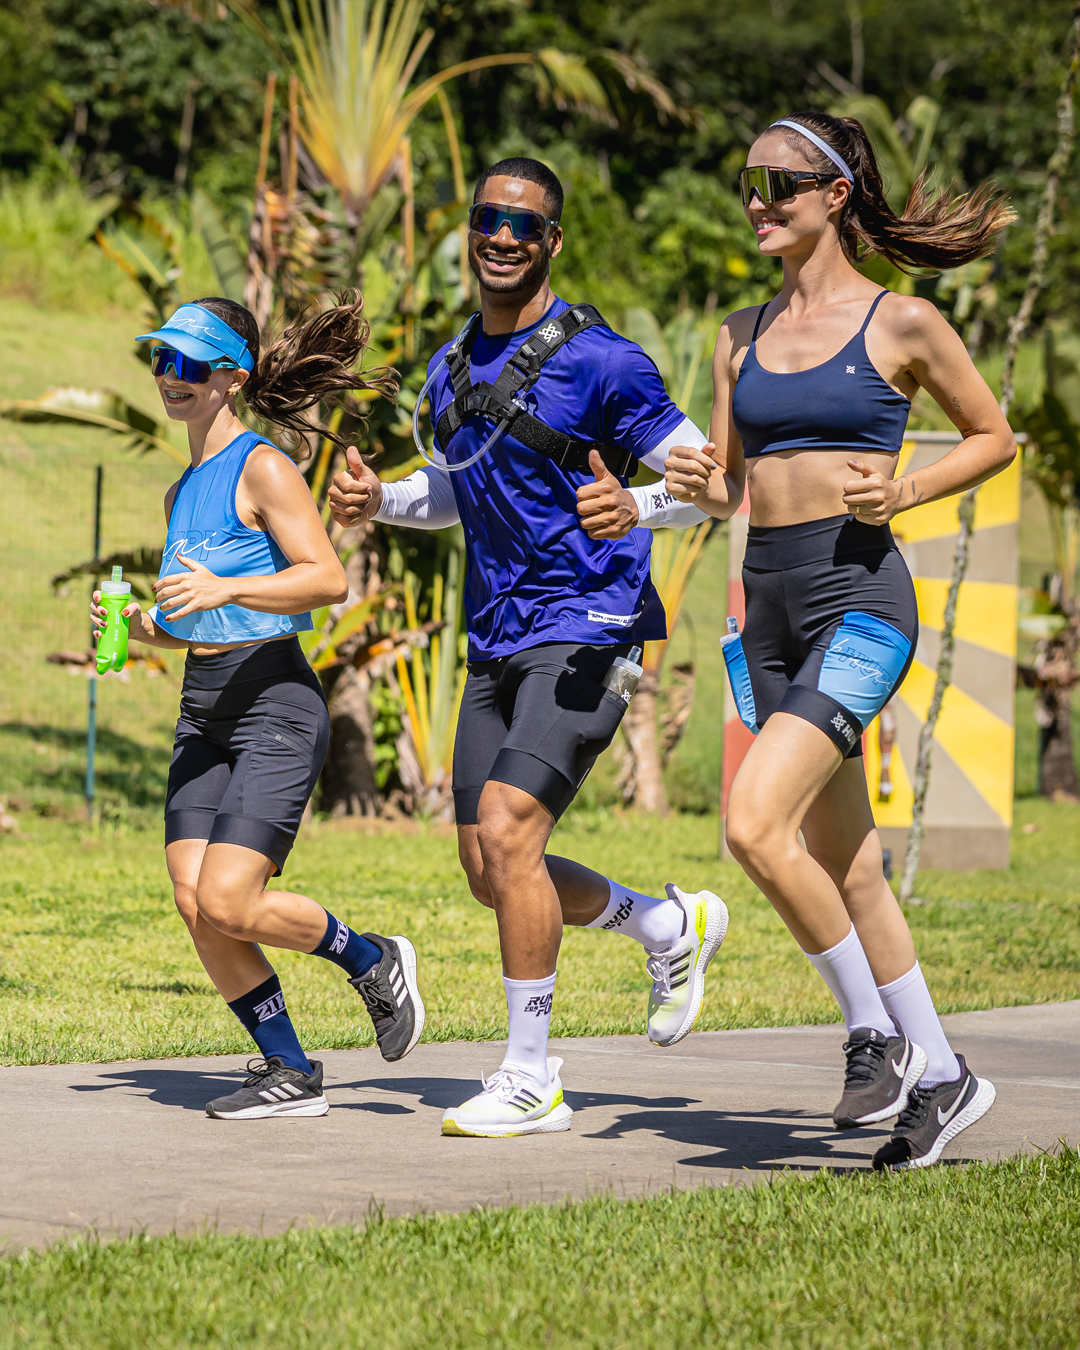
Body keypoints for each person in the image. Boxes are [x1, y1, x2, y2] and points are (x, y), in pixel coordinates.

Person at [329, 157, 728, 1138]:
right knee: (488, 866)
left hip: (587, 625)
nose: (502, 236)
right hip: (496, 641)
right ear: (471, 232)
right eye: (487, 219)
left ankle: (531, 1075)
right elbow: (452, 490)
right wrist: (378, 499)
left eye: (524, 223)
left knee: (510, 831)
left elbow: (711, 482)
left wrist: (631, 503)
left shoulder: (606, 362)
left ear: (552, 242)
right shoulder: (449, 367)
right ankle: (666, 924)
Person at [666, 112, 1016, 1170]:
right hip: (764, 604)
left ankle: (874, 1035)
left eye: (780, 184)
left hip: (858, 599)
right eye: (749, 183)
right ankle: (946, 1074)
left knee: (753, 823)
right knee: (847, 863)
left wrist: (904, 486)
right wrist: (696, 485)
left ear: (835, 197)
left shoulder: (903, 322)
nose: (759, 203)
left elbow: (997, 435)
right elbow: (729, 488)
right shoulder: (737, 334)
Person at [90, 294, 424, 1120]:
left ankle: (371, 957)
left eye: (190, 363)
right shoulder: (182, 491)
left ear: (230, 376)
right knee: (192, 899)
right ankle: (289, 1069)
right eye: (160, 359)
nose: (171, 377)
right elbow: (194, 619)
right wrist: (142, 626)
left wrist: (226, 584)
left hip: (273, 698)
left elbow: (325, 578)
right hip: (204, 705)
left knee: (232, 900)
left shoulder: (262, 465)